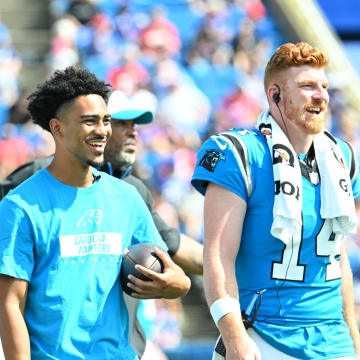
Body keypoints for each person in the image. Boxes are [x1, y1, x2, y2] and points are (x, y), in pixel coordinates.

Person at [0, 66, 191, 360]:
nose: (102, 130)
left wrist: (174, 284)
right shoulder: (20, 206)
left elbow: (176, 277)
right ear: (57, 128)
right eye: (89, 121)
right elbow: (10, 304)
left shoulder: (127, 197)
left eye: (106, 121)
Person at [191, 42, 360, 360]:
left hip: (333, 341)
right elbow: (217, 256)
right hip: (264, 336)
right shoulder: (239, 153)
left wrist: (353, 337)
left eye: (323, 86)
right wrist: (235, 338)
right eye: (307, 86)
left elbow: (338, 258)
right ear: (275, 95)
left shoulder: (341, 156)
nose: (321, 96)